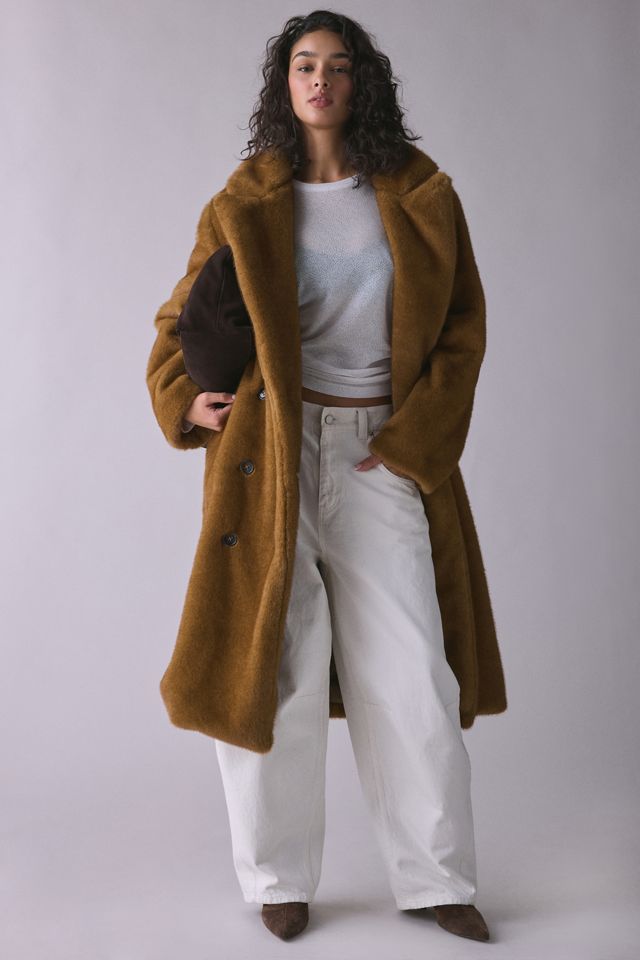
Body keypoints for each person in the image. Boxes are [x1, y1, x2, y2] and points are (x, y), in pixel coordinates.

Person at [147, 8, 506, 946]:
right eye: (304, 65)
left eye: (338, 66)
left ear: (361, 84)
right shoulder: (243, 200)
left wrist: (413, 442)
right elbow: (179, 320)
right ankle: (277, 881)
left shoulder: (420, 195)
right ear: (286, 84)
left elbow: (462, 331)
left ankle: (437, 879)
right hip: (270, 452)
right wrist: (186, 401)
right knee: (277, 669)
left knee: (414, 673)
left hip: (380, 450)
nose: (320, 80)